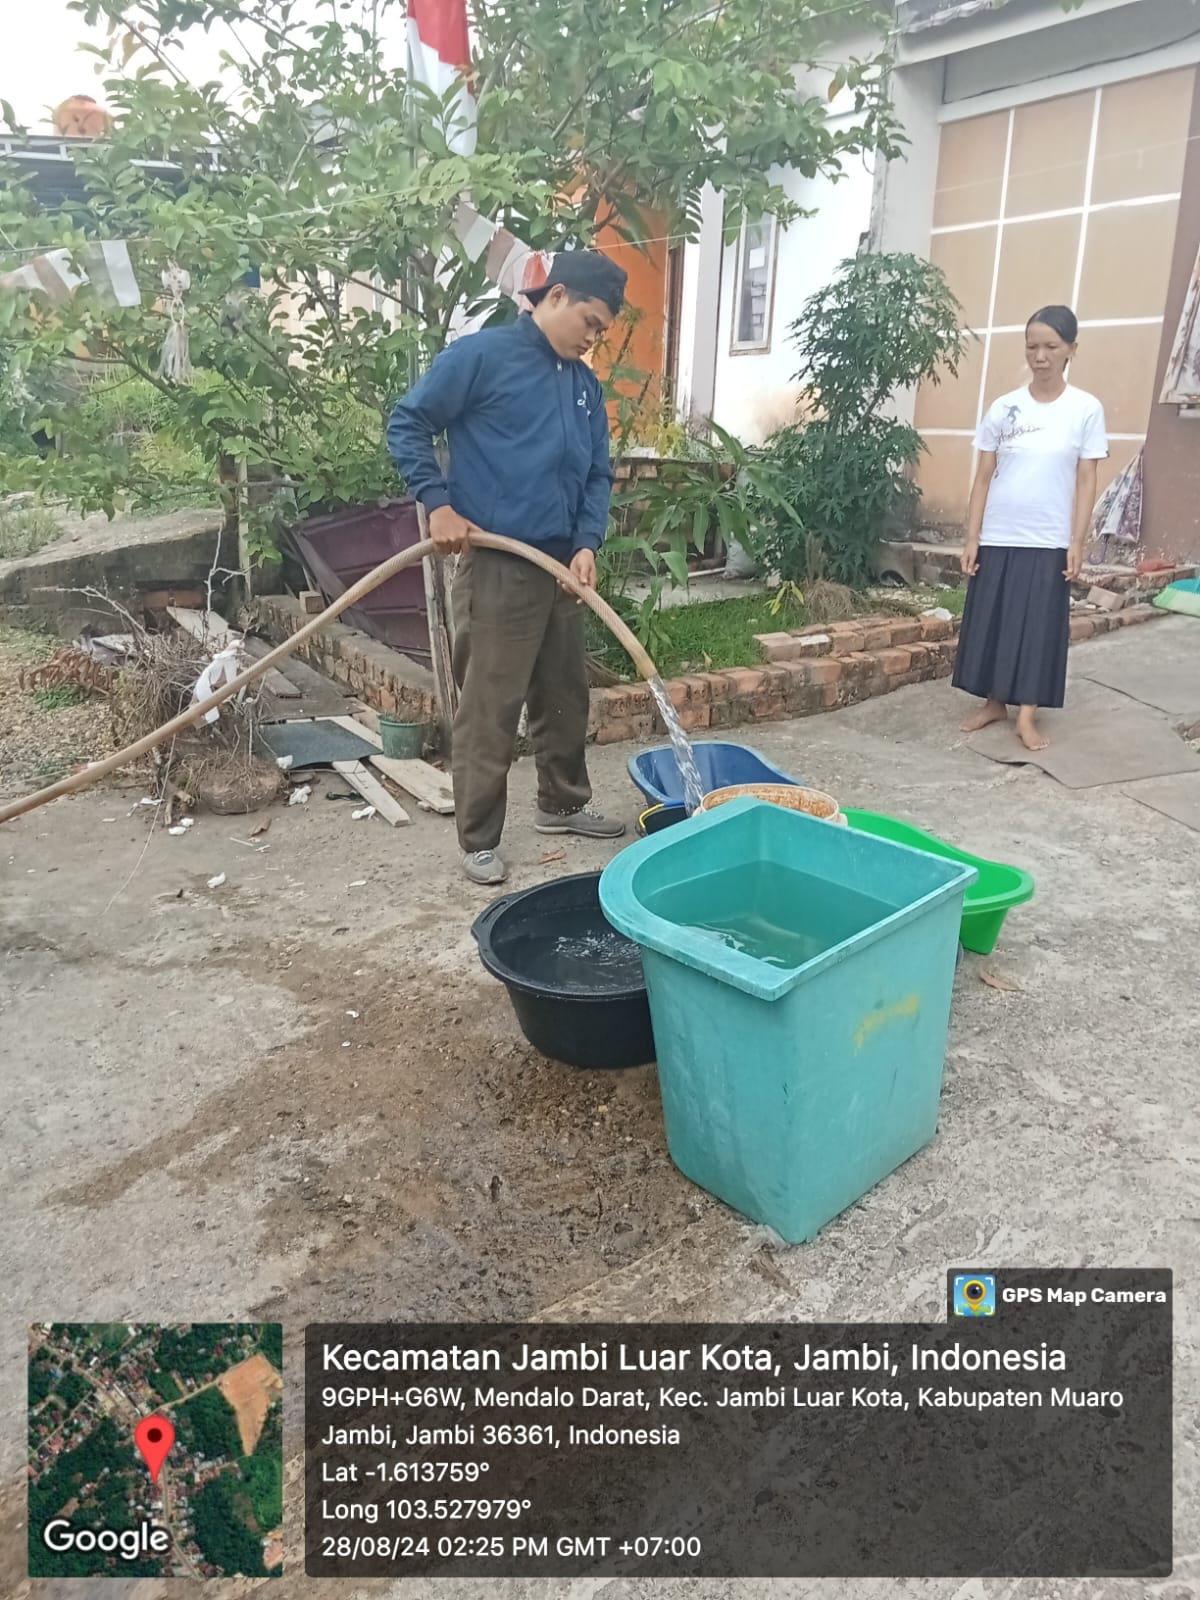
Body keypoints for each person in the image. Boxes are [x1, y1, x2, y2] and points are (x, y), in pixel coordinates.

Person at [387, 251, 629, 884]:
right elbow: (408, 422)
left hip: (560, 568)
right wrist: (438, 504)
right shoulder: (482, 357)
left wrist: (587, 543)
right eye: (590, 321)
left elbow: (597, 475)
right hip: (498, 562)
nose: (593, 338)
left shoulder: (584, 388)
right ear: (557, 296)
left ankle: (561, 805)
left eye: (602, 330)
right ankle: (478, 838)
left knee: (565, 695)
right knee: (490, 706)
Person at [954, 304, 1108, 752]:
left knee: (1038, 626)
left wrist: (1077, 541)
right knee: (994, 620)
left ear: (1071, 350)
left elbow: (1086, 479)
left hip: (1048, 537)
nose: (1040, 356)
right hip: (999, 533)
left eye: (1051, 347)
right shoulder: (1004, 408)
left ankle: (1026, 714)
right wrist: (972, 537)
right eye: (1032, 347)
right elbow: (984, 476)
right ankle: (994, 702)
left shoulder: (1085, 409)